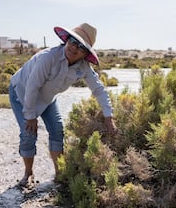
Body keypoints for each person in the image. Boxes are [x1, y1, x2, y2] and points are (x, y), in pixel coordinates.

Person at [9, 23, 117, 186]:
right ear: (66, 40)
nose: (74, 48)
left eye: (81, 47)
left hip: (47, 98)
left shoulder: (84, 68)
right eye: (73, 41)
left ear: (85, 54)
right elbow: (32, 87)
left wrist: (109, 117)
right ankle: (28, 173)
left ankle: (60, 174)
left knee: (57, 131)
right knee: (29, 134)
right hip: (22, 93)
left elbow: (99, 89)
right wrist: (30, 116)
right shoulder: (48, 58)